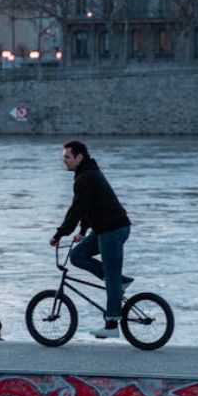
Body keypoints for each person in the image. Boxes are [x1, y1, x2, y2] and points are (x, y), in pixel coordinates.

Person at [50, 140, 133, 339]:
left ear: (79, 157)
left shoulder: (86, 177)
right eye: (63, 157)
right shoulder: (85, 175)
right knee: (78, 255)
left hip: (113, 230)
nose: (64, 161)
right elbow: (89, 206)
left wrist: (60, 233)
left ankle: (112, 324)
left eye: (67, 157)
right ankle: (119, 282)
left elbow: (76, 209)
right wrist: (83, 230)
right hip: (104, 229)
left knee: (111, 277)